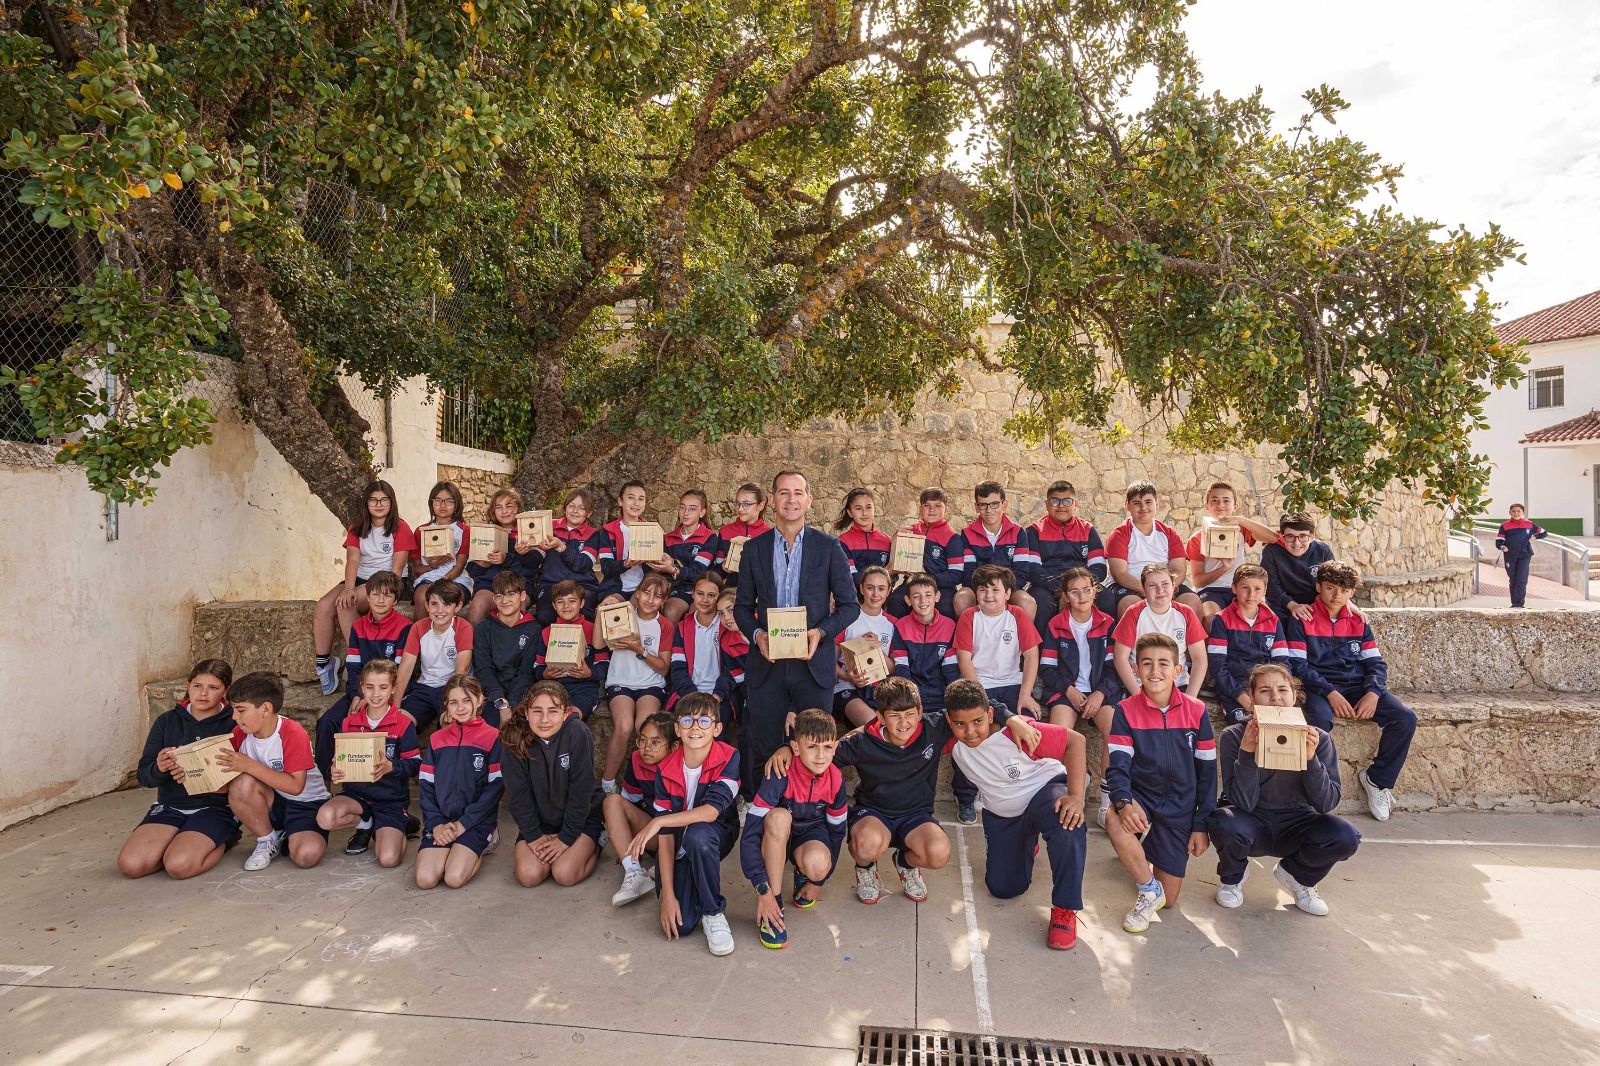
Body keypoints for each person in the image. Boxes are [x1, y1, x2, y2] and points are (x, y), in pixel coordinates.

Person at [767, 676, 1033, 905]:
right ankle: (866, 869)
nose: (904, 723)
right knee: (866, 845)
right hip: (874, 814)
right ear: (881, 716)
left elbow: (982, 707)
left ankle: (905, 863)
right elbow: (819, 753)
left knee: (939, 853)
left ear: (919, 711)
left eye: (909, 715)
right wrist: (785, 749)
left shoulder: (934, 726)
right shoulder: (861, 741)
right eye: (894, 716)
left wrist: (1012, 720)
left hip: (916, 816)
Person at [733, 470, 860, 784]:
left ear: (809, 500)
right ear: (773, 500)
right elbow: (741, 607)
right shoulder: (754, 549)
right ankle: (758, 807)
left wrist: (820, 633)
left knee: (813, 744)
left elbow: (850, 606)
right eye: (784, 492)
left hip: (813, 663)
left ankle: (808, 811)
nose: (791, 499)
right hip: (768, 663)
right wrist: (757, 634)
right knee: (764, 740)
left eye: (798, 492)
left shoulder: (829, 548)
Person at [1209, 663, 1361, 916]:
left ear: (1294, 695)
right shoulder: (1234, 736)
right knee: (1224, 822)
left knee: (1346, 836)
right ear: (1252, 699)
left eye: (1282, 690)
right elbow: (1242, 802)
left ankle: (1298, 876)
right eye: (1265, 691)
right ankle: (1232, 878)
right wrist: (1247, 752)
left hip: (1298, 823)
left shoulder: (1318, 738)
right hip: (1253, 820)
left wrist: (1311, 760)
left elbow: (1327, 803)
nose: (1275, 698)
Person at [943, 680, 1085, 950]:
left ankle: (1065, 909)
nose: (970, 731)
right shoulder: (951, 737)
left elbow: (1075, 741)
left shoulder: (1016, 732)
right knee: (1003, 888)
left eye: (977, 722)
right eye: (960, 724)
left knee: (1067, 821)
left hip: (1043, 788)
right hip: (1003, 812)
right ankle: (1026, 842)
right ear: (949, 720)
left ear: (990, 715)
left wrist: (1076, 796)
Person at [1280, 560, 1416, 821]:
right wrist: (1330, 692)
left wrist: (1373, 692)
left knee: (1405, 718)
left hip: (1356, 686)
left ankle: (1378, 780)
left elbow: (1375, 663)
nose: (1336, 596)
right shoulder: (1302, 618)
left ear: (1352, 593)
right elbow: (1298, 665)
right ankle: (1317, 788)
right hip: (1319, 687)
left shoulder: (1358, 620)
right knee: (1318, 722)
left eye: (1343, 591)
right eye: (1330, 588)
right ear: (1319, 586)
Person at [1103, 633, 1216, 934]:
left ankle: (1145, 853)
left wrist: (1201, 825)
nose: (1155, 671)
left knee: (1171, 901)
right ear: (1136, 669)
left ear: (1178, 670)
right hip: (1143, 798)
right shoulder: (1125, 711)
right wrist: (1124, 802)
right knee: (1114, 817)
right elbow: (1118, 768)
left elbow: (1207, 774)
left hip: (1179, 806)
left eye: (1164, 664)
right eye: (1147, 664)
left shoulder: (1197, 711)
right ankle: (1146, 887)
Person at [626, 693, 743, 956]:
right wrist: (667, 895)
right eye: (687, 721)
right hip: (679, 843)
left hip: (716, 835)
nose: (695, 728)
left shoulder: (729, 757)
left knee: (699, 836)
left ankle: (714, 912)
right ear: (677, 729)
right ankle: (684, 880)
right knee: (684, 923)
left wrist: (658, 821)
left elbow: (712, 811)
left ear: (717, 728)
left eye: (704, 721)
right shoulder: (665, 768)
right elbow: (666, 837)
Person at [118, 659, 240, 880]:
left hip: (214, 807)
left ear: (225, 691)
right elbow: (145, 776)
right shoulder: (167, 721)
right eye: (197, 686)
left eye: (213, 688)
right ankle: (176, 842)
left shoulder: (234, 723)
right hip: (171, 805)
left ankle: (224, 840)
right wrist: (160, 767)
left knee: (178, 866)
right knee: (131, 866)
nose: (203, 694)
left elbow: (247, 773)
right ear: (188, 685)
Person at [740, 709, 849, 949]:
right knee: (779, 817)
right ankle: (774, 904)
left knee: (818, 865)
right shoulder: (780, 772)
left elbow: (836, 833)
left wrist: (819, 881)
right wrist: (762, 889)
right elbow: (749, 835)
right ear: (796, 748)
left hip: (810, 834)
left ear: (835, 747)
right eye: (812, 747)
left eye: (828, 747)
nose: (821, 756)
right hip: (776, 837)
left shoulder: (836, 779)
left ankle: (803, 870)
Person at [219, 672, 332, 872]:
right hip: (272, 801)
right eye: (233, 710)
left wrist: (248, 766)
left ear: (265, 709)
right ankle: (267, 839)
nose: (234, 717)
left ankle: (288, 833)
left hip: (306, 804)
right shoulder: (239, 733)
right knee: (241, 782)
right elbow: (228, 785)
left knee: (306, 856)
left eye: (240, 710)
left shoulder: (292, 732)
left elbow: (296, 787)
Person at [1037, 568, 1122, 827]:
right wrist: (1069, 690)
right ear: (1066, 595)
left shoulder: (1108, 623)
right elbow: (1048, 668)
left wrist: (1100, 693)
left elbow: (1114, 666)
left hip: (1100, 691)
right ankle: (1072, 784)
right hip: (1067, 691)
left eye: (1086, 589)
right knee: (1059, 732)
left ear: (1095, 590)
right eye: (1074, 591)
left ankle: (1107, 803)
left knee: (1115, 731)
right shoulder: (1056, 624)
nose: (1082, 596)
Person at [313, 480, 415, 694]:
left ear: (392, 502)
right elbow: (352, 559)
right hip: (359, 578)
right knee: (323, 606)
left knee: (345, 605)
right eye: (373, 500)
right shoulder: (357, 526)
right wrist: (349, 588)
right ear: (366, 503)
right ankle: (324, 663)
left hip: (387, 580)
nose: (379, 504)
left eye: (384, 500)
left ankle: (359, 659)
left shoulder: (400, 527)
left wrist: (364, 592)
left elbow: (396, 570)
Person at [318, 659, 422, 868]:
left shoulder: (402, 723)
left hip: (389, 802)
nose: (376, 694)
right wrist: (335, 770)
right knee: (325, 818)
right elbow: (340, 759)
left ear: (393, 689)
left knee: (388, 859)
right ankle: (365, 824)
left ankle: (398, 825)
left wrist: (391, 767)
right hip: (356, 797)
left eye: (383, 687)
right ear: (362, 688)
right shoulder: (349, 722)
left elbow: (414, 764)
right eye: (370, 687)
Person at [502, 681, 604, 888]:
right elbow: (518, 794)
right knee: (528, 876)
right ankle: (556, 847)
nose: (545, 720)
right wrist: (533, 835)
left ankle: (598, 842)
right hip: (540, 822)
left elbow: (581, 791)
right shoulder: (514, 738)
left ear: (566, 713)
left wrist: (566, 838)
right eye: (537, 711)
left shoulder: (577, 733)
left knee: (564, 874)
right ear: (527, 713)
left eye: (553, 711)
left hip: (579, 819)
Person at [313, 570, 409, 786]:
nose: (381, 600)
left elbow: (400, 670)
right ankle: (323, 786)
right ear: (367, 595)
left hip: (387, 695)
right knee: (327, 723)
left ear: (395, 599)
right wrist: (357, 696)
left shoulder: (405, 627)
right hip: (361, 692)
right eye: (375, 595)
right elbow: (354, 667)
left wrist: (374, 696)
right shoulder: (358, 627)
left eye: (387, 595)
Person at [416, 674, 504, 890]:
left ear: (480, 700)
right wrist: (436, 824)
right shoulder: (437, 740)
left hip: (475, 821)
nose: (461, 707)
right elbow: (426, 787)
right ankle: (450, 843)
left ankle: (485, 841)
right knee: (425, 880)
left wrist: (465, 823)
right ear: (445, 704)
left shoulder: (492, 737)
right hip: (442, 820)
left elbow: (495, 788)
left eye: (467, 700)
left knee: (453, 878)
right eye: (453, 702)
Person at [595, 571, 673, 793]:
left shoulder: (664, 625)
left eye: (657, 596)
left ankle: (649, 786)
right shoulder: (624, 614)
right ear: (637, 594)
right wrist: (602, 610)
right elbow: (599, 644)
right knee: (624, 725)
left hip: (650, 684)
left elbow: (663, 666)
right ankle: (608, 783)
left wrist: (639, 649)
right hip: (620, 681)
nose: (650, 599)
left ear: (664, 600)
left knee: (645, 728)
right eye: (646, 593)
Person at [605, 710, 678, 907]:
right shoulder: (637, 759)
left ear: (674, 747)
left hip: (681, 837)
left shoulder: (683, 764)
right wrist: (625, 844)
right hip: (653, 834)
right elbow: (630, 802)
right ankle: (634, 872)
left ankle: (673, 864)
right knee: (612, 801)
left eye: (655, 742)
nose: (646, 748)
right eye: (643, 740)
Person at [1206, 564, 1292, 727]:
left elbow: (1282, 663)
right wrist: (1240, 695)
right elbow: (1218, 666)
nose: (1251, 594)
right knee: (1248, 726)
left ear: (1265, 590)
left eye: (1257, 589)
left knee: (1280, 727)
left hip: (1266, 687)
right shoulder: (1222, 619)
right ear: (1234, 588)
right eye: (1245, 588)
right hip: (1234, 689)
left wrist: (1275, 692)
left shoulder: (1272, 620)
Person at [953, 563, 1043, 717]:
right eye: (983, 590)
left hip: (1013, 682)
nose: (989, 595)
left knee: (1028, 722)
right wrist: (979, 695)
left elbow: (1031, 655)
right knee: (985, 725)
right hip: (979, 684)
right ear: (976, 593)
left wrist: (1025, 694)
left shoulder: (1017, 615)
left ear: (1007, 594)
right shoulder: (969, 616)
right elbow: (964, 659)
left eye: (995, 590)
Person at [1184, 481, 1277, 626]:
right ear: (1207, 506)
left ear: (1235, 506)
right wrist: (1224, 568)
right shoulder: (1197, 538)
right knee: (1212, 619)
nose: (1220, 505)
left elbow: (1273, 538)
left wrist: (1241, 520)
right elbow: (1197, 581)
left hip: (1239, 588)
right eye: (1214, 501)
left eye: (1226, 501)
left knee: (1262, 618)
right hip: (1210, 590)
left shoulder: (1241, 529)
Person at [1111, 564, 1207, 699]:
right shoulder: (1133, 613)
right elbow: (1120, 658)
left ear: (1174, 586)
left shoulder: (1186, 613)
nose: (1160, 590)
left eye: (1165, 584)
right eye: (1152, 586)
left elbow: (1200, 659)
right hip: (1141, 686)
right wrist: (1137, 695)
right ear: (1143, 589)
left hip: (1178, 685)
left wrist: (1190, 698)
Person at [1021, 480, 1109, 626]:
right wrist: (1061, 590)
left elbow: (1099, 568)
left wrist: (1078, 588)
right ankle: (1044, 648)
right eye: (1055, 501)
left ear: (1076, 504)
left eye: (1067, 501)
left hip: (1082, 582)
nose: (1061, 506)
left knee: (1107, 599)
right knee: (1041, 602)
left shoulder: (1088, 529)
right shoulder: (1034, 530)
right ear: (1047, 504)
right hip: (1047, 585)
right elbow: (1033, 570)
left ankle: (1106, 647)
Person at [1104, 480, 1198, 617]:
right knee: (1131, 605)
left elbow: (1179, 570)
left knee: (1192, 601)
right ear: (1127, 506)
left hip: (1165, 585)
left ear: (1157, 504)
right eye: (1137, 503)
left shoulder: (1169, 533)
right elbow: (1120, 574)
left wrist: (1166, 588)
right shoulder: (1119, 534)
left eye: (1148, 502)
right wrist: (1147, 590)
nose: (1143, 508)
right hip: (1129, 586)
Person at [395, 579, 474, 731]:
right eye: (434, 604)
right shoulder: (418, 628)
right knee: (401, 724)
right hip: (424, 688)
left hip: (451, 687)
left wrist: (453, 702)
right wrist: (395, 705)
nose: (439, 610)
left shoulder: (463, 627)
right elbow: (405, 668)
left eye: (446, 604)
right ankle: (410, 755)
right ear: (427, 606)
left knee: (450, 726)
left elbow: (461, 670)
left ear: (457, 607)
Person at [886, 488, 972, 619]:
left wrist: (927, 577)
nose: (932, 510)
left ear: (946, 510)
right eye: (927, 505)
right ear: (920, 508)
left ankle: (944, 639)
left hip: (942, 587)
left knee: (945, 607)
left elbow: (956, 575)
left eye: (938, 506)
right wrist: (896, 540)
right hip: (912, 583)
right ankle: (898, 638)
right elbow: (897, 560)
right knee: (896, 600)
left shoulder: (952, 537)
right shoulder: (911, 531)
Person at [464, 487, 545, 626]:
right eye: (499, 507)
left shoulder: (529, 531)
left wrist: (508, 558)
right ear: (493, 512)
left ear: (518, 508)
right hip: (489, 586)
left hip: (519, 587)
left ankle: (513, 646)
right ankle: (476, 647)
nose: (504, 511)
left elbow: (534, 564)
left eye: (509, 506)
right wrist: (482, 564)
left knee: (516, 610)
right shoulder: (485, 533)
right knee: (477, 607)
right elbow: (472, 571)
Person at [960, 480, 1038, 621]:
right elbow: (967, 572)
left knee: (1027, 602)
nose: (989, 510)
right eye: (983, 505)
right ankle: (966, 642)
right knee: (962, 598)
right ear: (976, 507)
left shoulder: (1018, 532)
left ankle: (1024, 643)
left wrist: (1004, 592)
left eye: (995, 504)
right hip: (979, 588)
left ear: (1004, 504)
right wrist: (985, 592)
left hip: (1009, 589)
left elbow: (1022, 571)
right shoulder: (967, 533)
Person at [471, 570, 540, 726]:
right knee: (489, 727)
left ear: (522, 596)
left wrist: (512, 704)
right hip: (492, 694)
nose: (504, 600)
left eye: (510, 594)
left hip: (521, 694)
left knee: (519, 728)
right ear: (494, 598)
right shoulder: (483, 628)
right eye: (499, 596)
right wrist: (500, 702)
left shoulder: (533, 629)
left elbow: (526, 672)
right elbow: (483, 669)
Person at [536, 579, 609, 720]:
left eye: (572, 601)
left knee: (570, 716)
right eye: (560, 602)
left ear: (581, 603)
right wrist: (545, 674)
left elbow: (604, 664)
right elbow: (537, 666)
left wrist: (590, 673)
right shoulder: (547, 632)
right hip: (554, 686)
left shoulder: (594, 630)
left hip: (584, 688)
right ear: (553, 605)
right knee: (547, 715)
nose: (566, 606)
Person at [668, 572, 737, 721]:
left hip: (720, 694)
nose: (705, 600)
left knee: (715, 731)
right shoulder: (683, 628)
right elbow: (677, 667)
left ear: (719, 597)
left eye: (711, 595)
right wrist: (693, 695)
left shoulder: (727, 626)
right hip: (688, 692)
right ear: (693, 594)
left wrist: (717, 695)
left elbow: (731, 669)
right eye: (700, 594)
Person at [833, 566, 896, 729]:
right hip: (846, 686)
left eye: (881, 588)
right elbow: (828, 663)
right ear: (861, 588)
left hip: (878, 689)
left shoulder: (893, 624)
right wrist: (848, 677)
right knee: (873, 726)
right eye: (870, 588)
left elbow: (893, 669)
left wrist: (877, 649)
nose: (876, 594)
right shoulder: (846, 618)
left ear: (889, 591)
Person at [598, 480, 678, 607]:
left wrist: (665, 562)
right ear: (620, 501)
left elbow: (662, 565)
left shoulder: (653, 530)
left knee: (636, 609)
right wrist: (625, 563)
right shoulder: (608, 531)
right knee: (607, 609)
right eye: (631, 498)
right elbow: (606, 568)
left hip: (645, 588)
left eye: (641, 499)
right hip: (615, 588)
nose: (636, 503)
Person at [889, 574, 959, 711]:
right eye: (916, 596)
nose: (923, 601)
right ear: (908, 600)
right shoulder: (901, 626)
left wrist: (953, 698)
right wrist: (910, 697)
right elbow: (902, 667)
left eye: (928, 595)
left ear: (937, 596)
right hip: (912, 696)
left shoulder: (950, 626)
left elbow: (951, 669)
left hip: (942, 696)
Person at [534, 488, 603, 623]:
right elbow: (534, 559)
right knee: (544, 616)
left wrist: (561, 546)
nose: (575, 511)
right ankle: (548, 643)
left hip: (582, 585)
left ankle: (586, 644)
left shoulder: (594, 534)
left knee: (585, 614)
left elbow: (583, 565)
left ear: (588, 513)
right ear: (565, 507)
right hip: (551, 584)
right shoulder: (549, 526)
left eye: (581, 508)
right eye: (571, 506)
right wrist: (525, 551)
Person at [410, 480, 471, 617]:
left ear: (456, 504)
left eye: (449, 501)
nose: (443, 505)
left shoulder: (463, 530)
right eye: (438, 500)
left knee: (447, 598)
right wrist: (432, 566)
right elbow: (416, 569)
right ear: (431, 504)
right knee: (422, 597)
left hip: (455, 579)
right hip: (428, 578)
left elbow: (460, 565)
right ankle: (418, 637)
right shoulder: (421, 531)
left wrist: (443, 582)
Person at [1260, 512, 1334, 623]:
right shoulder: (1271, 552)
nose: (1296, 543)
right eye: (1290, 536)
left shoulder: (1322, 550)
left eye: (1303, 536)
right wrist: (1292, 605)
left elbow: (1334, 581)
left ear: (1312, 536)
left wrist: (1347, 602)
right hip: (1283, 606)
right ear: (1282, 536)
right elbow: (1271, 587)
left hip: (1316, 605)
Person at [698, 481, 772, 590]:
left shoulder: (769, 534)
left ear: (761, 505)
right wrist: (723, 568)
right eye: (737, 503)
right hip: (731, 593)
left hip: (760, 594)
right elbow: (716, 570)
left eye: (746, 504)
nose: (740, 509)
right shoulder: (725, 531)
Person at [663, 489, 716, 624]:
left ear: (702, 512)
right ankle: (669, 646)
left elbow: (698, 572)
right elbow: (663, 572)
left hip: (702, 588)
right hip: (678, 588)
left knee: (697, 614)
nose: (685, 513)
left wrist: (674, 570)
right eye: (682, 507)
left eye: (692, 509)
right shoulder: (668, 538)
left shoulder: (709, 537)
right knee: (671, 610)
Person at [1496, 503, 1548, 608]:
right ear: (1510, 513)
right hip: (1510, 555)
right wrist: (1502, 547)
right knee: (1513, 578)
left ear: (1523, 513)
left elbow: (1544, 533)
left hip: (1525, 555)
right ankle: (1514, 602)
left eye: (1518, 511)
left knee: (1521, 579)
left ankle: (1519, 604)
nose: (1516, 513)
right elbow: (1499, 541)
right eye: (1513, 511)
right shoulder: (1504, 525)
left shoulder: (1529, 524)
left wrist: (1534, 537)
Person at [834, 486, 893, 577]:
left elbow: (893, 575)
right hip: (853, 591)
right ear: (850, 512)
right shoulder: (843, 541)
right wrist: (885, 574)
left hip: (884, 591)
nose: (864, 513)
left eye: (868, 507)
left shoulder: (888, 541)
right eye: (858, 508)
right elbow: (849, 575)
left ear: (874, 509)